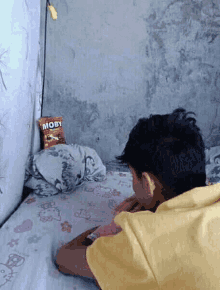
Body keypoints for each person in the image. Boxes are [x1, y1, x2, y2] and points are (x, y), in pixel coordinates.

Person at [56, 107, 220, 289]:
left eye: (133, 176)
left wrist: (114, 225)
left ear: (148, 183)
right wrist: (151, 197)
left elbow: (65, 259)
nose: (132, 185)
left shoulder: (142, 242)